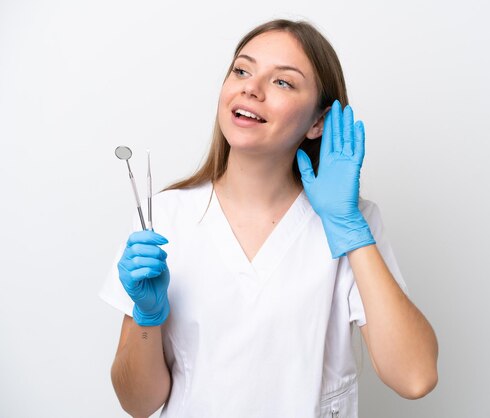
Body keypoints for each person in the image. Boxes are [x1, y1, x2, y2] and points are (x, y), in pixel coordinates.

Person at [100, 18, 438, 418]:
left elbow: (415, 377)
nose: (250, 88)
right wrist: (148, 318)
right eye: (242, 70)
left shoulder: (352, 222)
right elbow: (138, 404)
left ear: (318, 122)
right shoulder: (167, 216)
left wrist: (349, 229)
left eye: (283, 82)